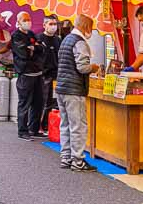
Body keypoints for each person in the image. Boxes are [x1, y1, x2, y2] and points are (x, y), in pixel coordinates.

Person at [56, 14, 100, 172]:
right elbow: (82, 67)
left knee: (65, 124)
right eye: (91, 27)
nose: (91, 31)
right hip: (74, 89)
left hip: (61, 87)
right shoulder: (79, 42)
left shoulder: (66, 40)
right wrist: (94, 67)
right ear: (86, 26)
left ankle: (66, 157)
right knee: (78, 126)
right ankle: (78, 161)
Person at [11, 11, 47, 141]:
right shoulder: (16, 36)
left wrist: (34, 48)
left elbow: (42, 49)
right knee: (24, 103)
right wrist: (32, 49)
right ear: (19, 21)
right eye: (25, 20)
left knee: (38, 103)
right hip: (25, 74)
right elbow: (23, 54)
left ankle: (34, 128)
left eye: (29, 19)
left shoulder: (31, 34)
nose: (28, 22)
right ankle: (22, 131)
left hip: (37, 73)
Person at [40, 16, 63, 125]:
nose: (53, 26)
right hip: (43, 75)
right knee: (44, 101)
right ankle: (40, 125)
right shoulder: (39, 39)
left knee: (54, 102)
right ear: (44, 25)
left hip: (57, 75)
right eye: (50, 24)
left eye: (55, 24)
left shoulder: (58, 40)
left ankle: (48, 125)